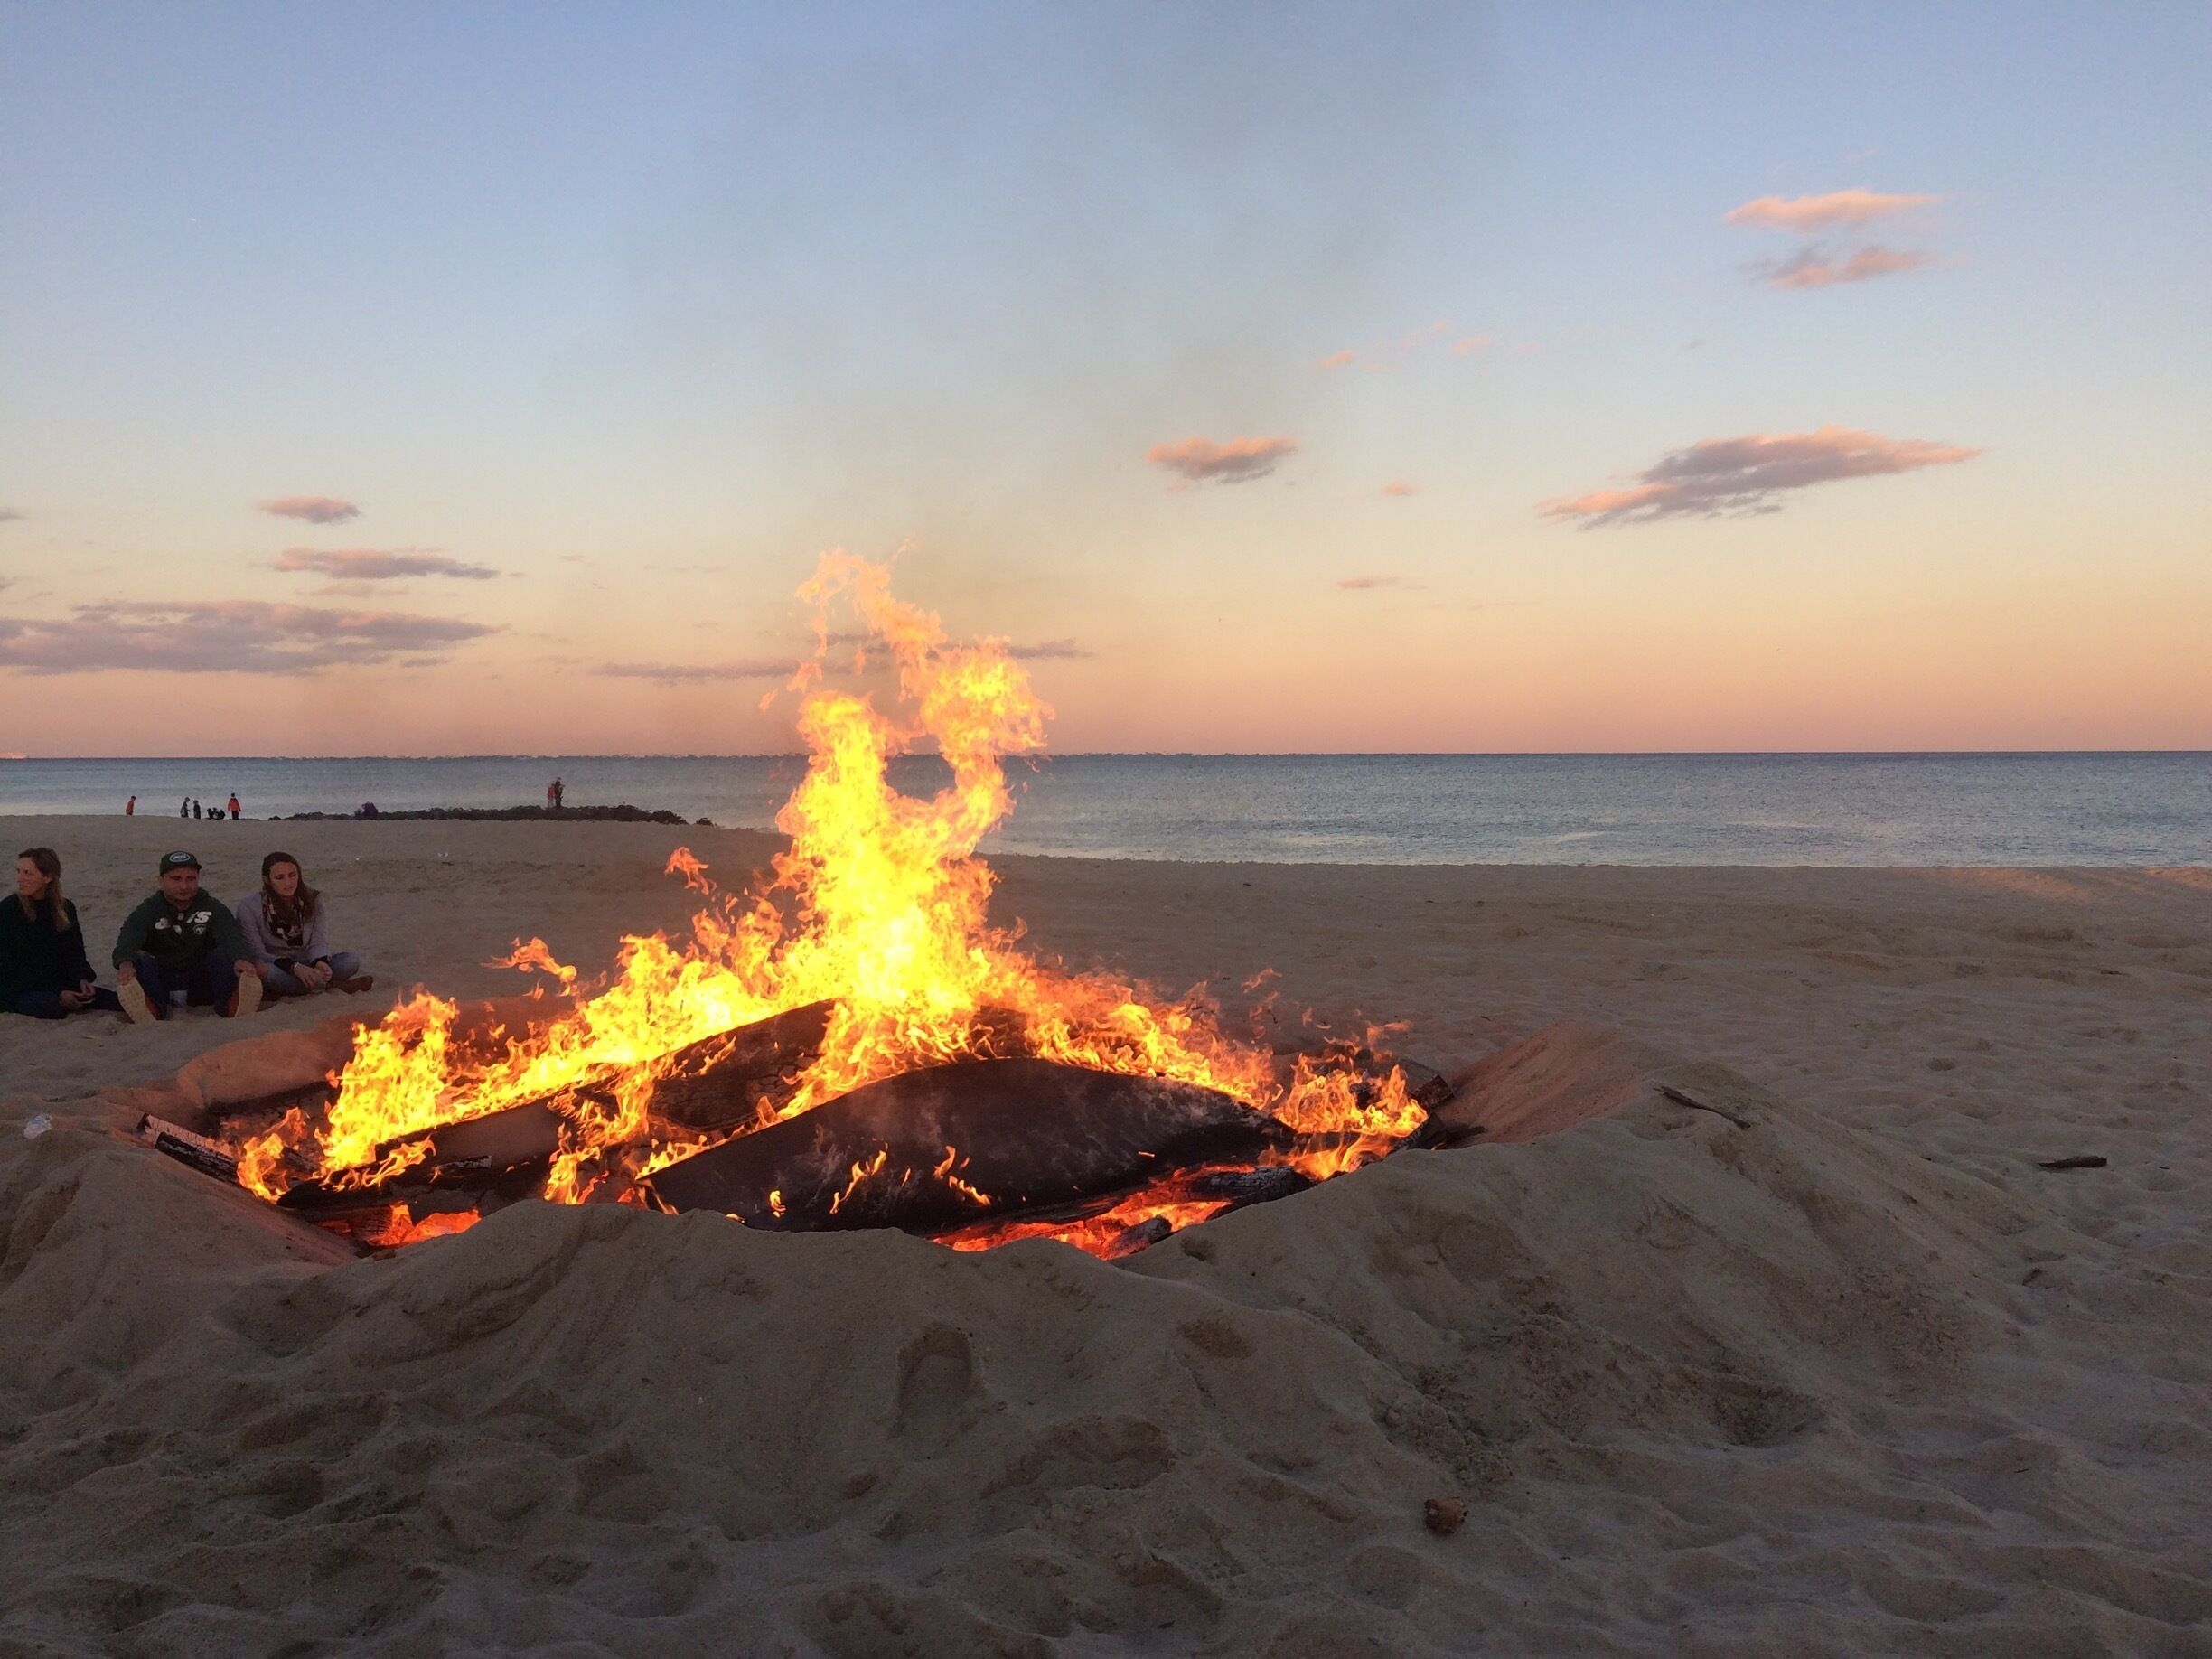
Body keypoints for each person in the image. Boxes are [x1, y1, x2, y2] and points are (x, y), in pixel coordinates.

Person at [111, 851, 260, 1023]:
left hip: (200, 981)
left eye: (190, 879)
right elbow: (129, 937)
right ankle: (151, 1011)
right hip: (162, 981)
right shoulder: (148, 910)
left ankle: (232, 1006)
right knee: (141, 959)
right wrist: (125, 964)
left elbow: (230, 935)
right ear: (161, 881)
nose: (184, 886)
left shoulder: (212, 907)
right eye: (176, 879)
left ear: (198, 879)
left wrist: (240, 959)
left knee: (223, 955)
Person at [1, 849, 125, 1019]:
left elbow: (75, 952)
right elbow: (10, 965)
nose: (19, 879)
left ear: (47, 877)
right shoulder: (9, 909)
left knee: (110, 999)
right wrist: (58, 991)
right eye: (19, 871)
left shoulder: (65, 909)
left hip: (57, 981)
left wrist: (81, 979)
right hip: (19, 985)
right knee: (52, 1006)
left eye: (27, 873)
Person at [236, 851, 371, 998]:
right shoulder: (249, 907)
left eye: (292, 875)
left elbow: (318, 941)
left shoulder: (313, 899)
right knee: (263, 970)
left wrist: (320, 962)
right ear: (267, 880)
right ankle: (331, 986)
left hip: (307, 961)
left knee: (351, 961)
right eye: (279, 878)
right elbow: (257, 953)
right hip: (276, 964)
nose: (288, 883)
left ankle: (301, 987)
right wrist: (294, 968)